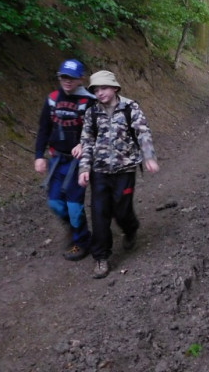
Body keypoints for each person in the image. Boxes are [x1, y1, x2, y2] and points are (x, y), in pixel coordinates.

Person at [78, 70, 159, 279]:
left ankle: (130, 229)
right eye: (96, 89)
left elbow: (143, 133)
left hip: (125, 169)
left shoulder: (130, 108)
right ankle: (101, 257)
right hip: (99, 171)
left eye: (104, 88)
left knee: (122, 211)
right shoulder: (92, 113)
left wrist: (149, 157)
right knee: (99, 213)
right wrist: (84, 169)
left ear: (115, 88)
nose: (100, 92)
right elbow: (86, 142)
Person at [34, 59, 95, 261]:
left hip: (79, 162)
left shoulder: (89, 101)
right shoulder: (52, 99)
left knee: (74, 206)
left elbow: (97, 130)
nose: (67, 81)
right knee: (55, 203)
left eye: (72, 77)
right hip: (57, 160)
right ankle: (74, 228)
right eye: (64, 77)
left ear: (80, 79)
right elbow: (44, 129)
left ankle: (82, 241)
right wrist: (39, 156)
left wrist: (85, 147)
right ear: (59, 77)